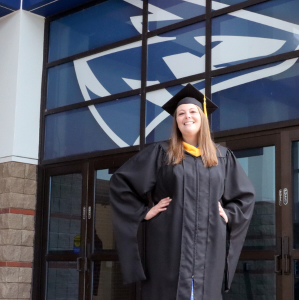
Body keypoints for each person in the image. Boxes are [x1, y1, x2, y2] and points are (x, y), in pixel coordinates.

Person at [109, 84, 255, 300]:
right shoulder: (161, 153)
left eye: (193, 111)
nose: (187, 116)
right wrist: (143, 212)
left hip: (209, 244)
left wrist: (229, 214)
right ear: (176, 120)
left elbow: (244, 196)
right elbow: (121, 183)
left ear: (202, 117)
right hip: (169, 244)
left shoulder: (222, 157)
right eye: (181, 113)